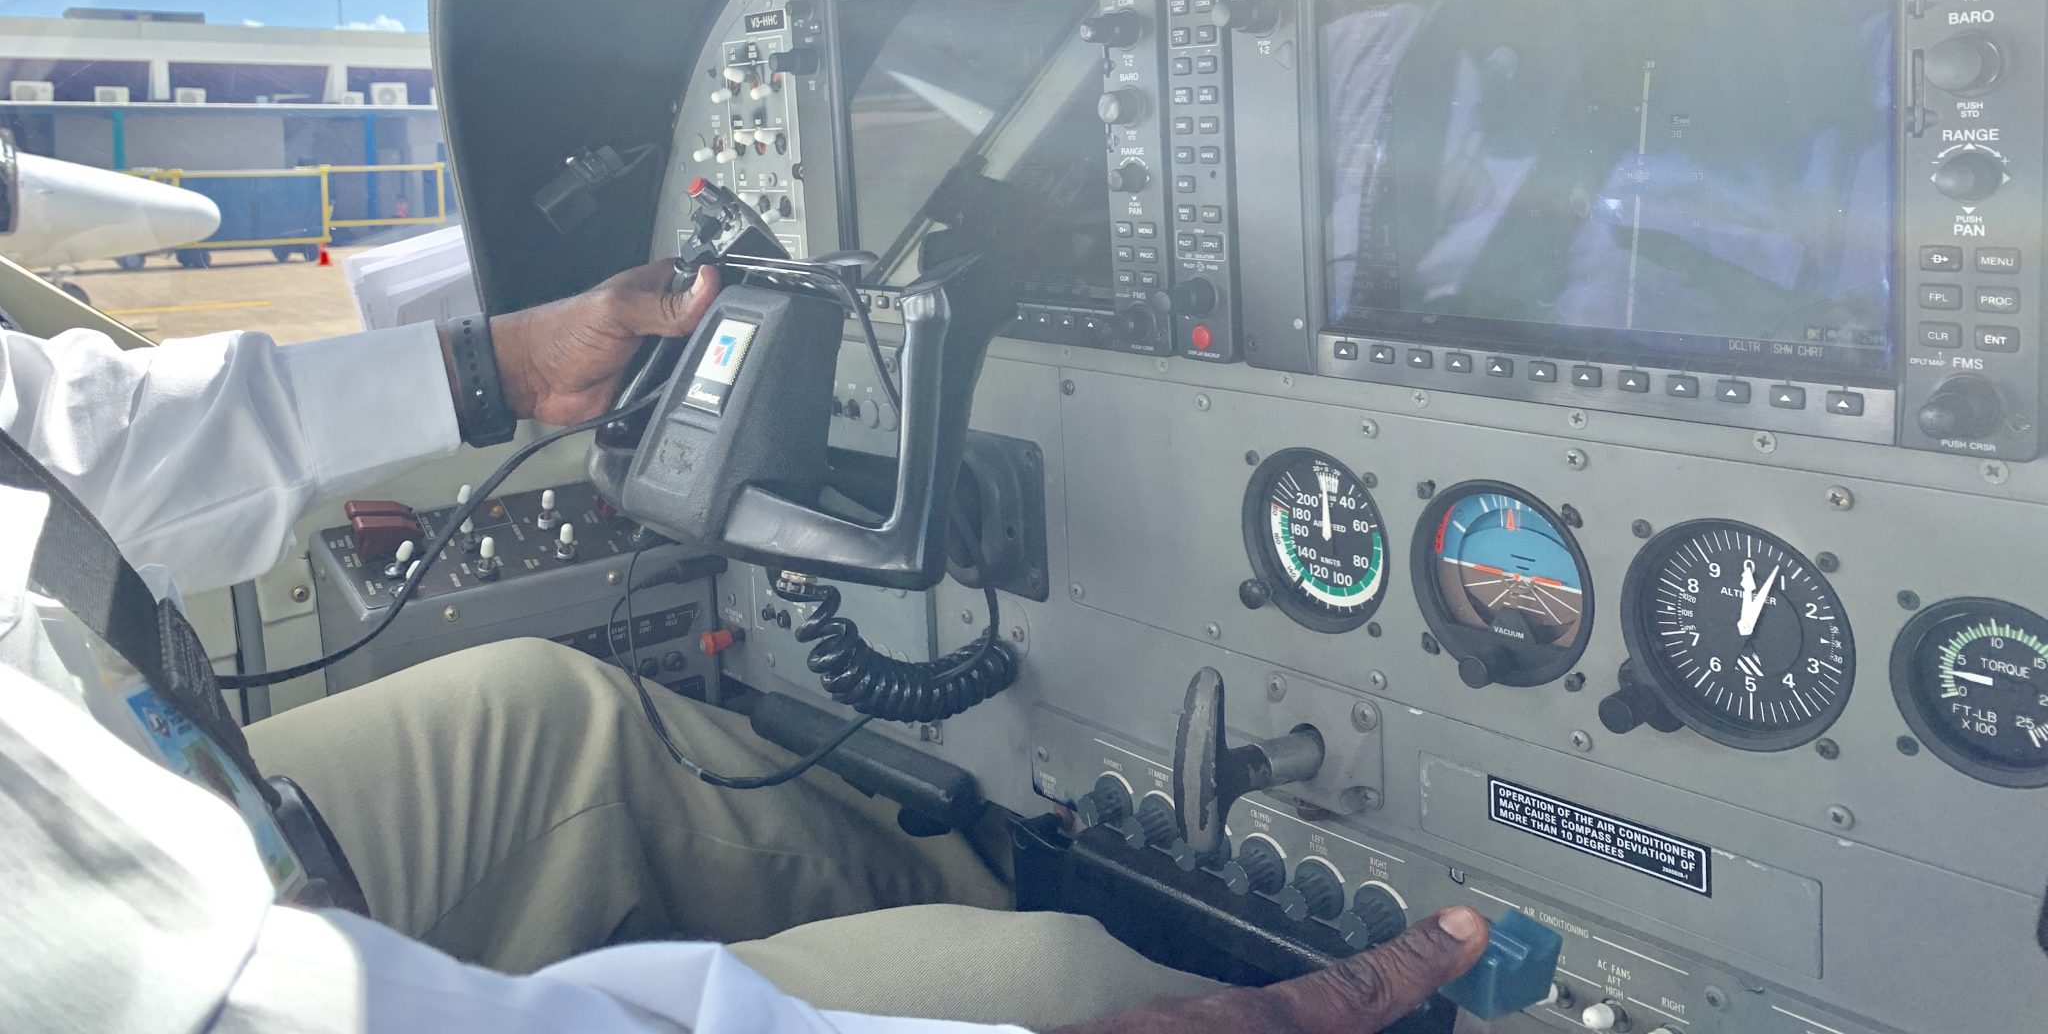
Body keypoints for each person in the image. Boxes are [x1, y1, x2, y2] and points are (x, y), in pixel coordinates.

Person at [0, 260, 1489, 1033]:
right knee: (1070, 990)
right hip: (96, 951)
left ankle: (971, 877)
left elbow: (47, 438)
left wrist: (494, 363)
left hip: (91, 768)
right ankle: (1072, 949)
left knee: (550, 711)